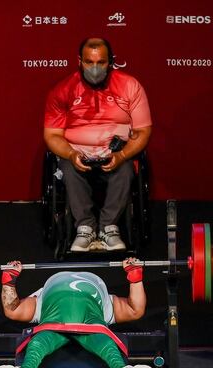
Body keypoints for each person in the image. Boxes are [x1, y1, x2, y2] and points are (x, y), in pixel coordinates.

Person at [44, 37, 152, 252]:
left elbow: (142, 130)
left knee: (126, 170)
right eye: (89, 62)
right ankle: (85, 227)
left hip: (115, 153)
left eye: (101, 62)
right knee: (67, 168)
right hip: (77, 154)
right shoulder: (63, 90)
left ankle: (108, 228)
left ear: (111, 62)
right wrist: (70, 153)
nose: (94, 68)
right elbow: (53, 135)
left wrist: (122, 155)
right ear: (79, 61)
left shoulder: (130, 86)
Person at [0, 257, 153, 368]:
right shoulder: (109, 305)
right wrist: (135, 278)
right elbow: (135, 310)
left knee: (39, 342)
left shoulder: (38, 301)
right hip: (74, 324)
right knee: (103, 342)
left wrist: (9, 281)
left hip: (81, 322)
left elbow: (12, 310)